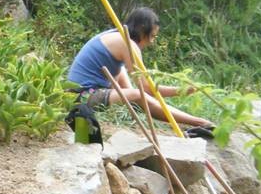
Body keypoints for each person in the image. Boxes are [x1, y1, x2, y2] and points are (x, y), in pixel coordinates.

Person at [67, 7, 212, 128]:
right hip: (82, 96)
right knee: (138, 94)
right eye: (153, 36)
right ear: (143, 30)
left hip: (86, 91)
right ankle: (199, 122)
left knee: (123, 73)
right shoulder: (127, 44)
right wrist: (181, 91)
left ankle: (136, 105)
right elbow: (146, 89)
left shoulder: (116, 35)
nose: (153, 41)